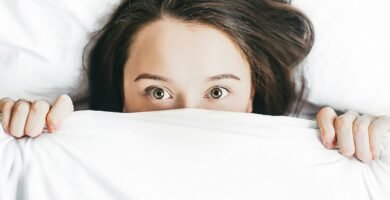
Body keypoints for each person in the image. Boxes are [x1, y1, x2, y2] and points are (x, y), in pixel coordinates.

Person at [0, 0, 389, 163]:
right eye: (158, 92)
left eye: (217, 92)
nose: (188, 118)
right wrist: (17, 131)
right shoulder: (63, 154)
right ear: (120, 94)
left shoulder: (319, 153)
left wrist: (375, 142)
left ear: (252, 93)